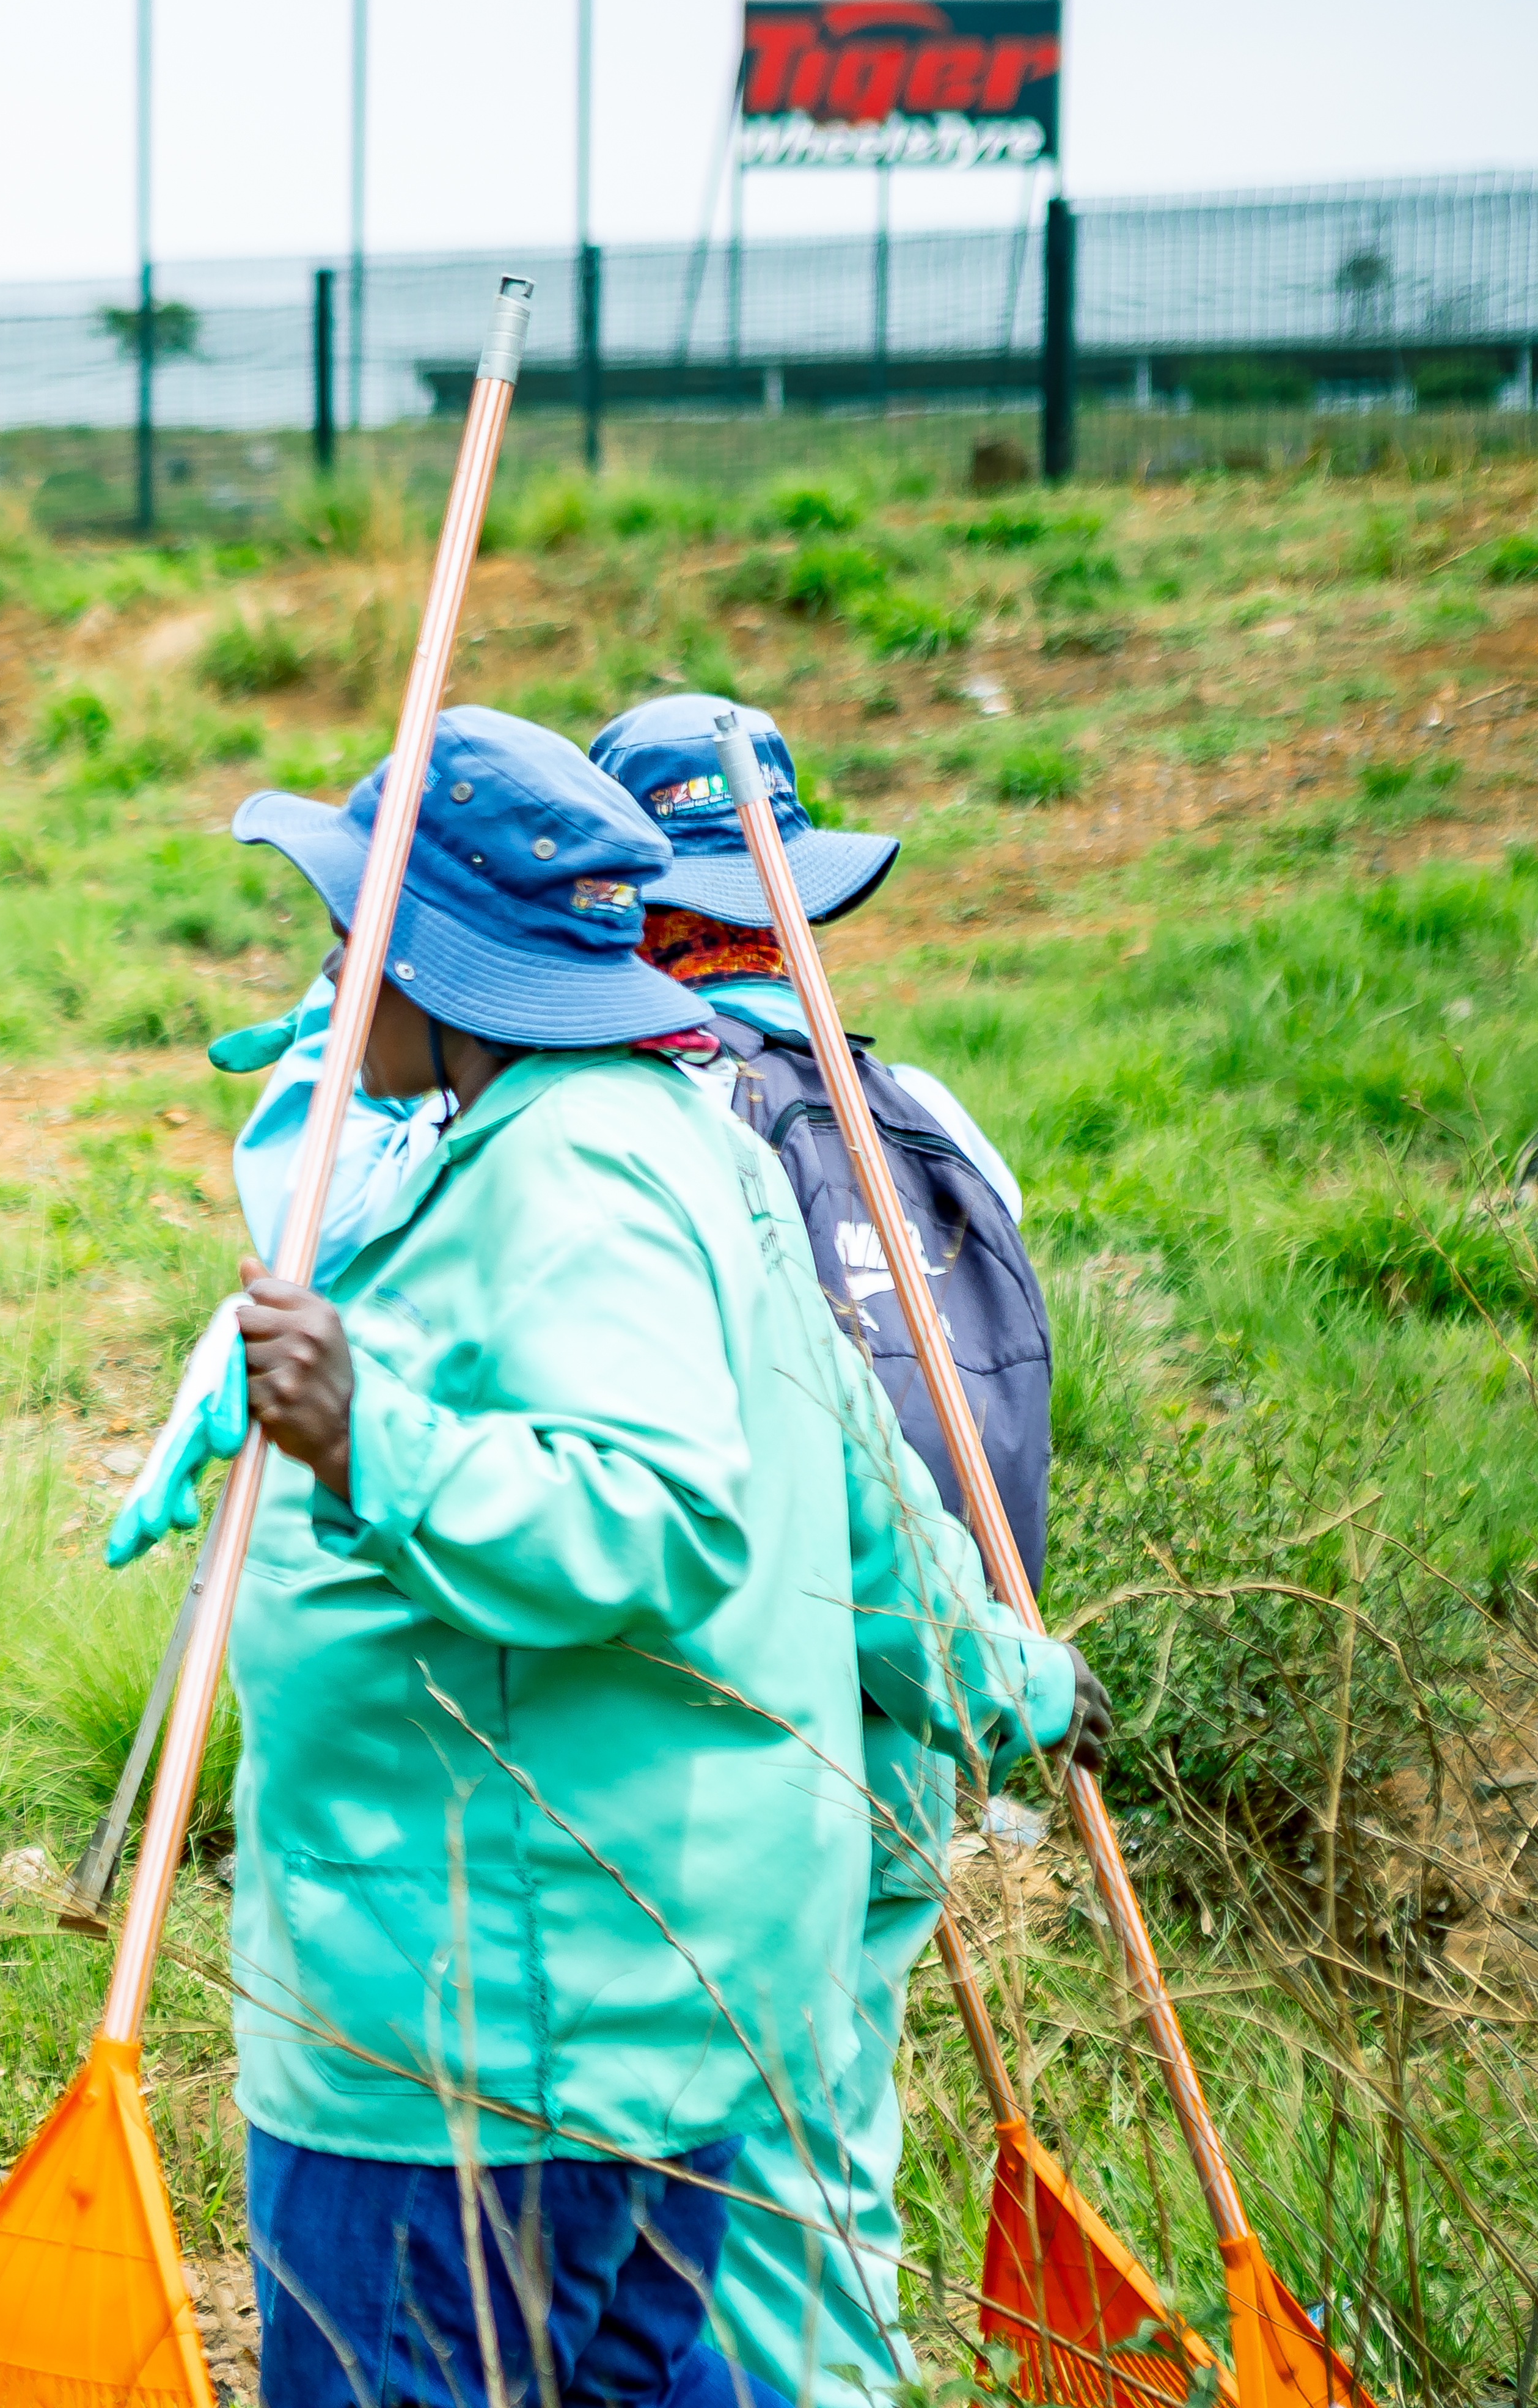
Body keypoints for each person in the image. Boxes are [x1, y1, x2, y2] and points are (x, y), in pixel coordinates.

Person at [114, 707, 1053, 2406]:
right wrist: (1003, 1678)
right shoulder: (664, 1134)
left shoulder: (578, 1176)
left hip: (489, 2046)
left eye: (355, 933)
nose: (330, 970)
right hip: (624, 2026)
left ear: (442, 962)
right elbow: (858, 1469)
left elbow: (653, 1521)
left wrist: (364, 1435)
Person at [588, 693, 1097, 2406]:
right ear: (794, 898)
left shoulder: (645, 1129)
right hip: (912, 1726)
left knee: (712, 2248)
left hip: (712, 1747)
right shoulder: (924, 1109)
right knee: (826, 2183)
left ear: (632, 914)